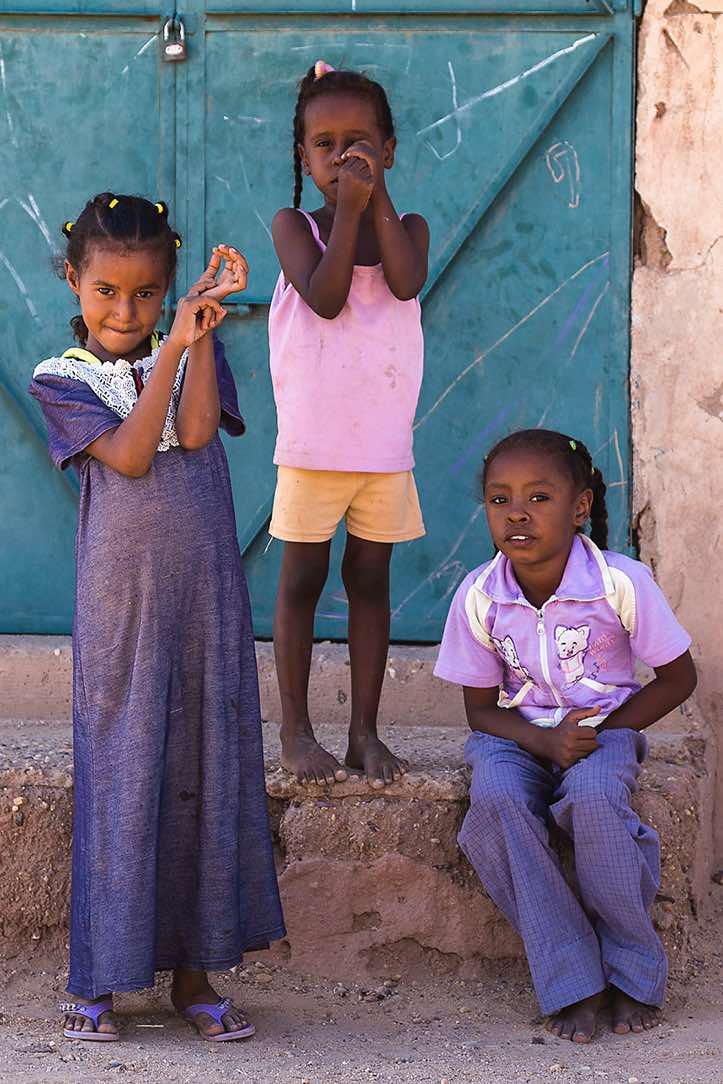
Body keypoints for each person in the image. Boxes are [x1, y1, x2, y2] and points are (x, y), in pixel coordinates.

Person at [29, 192, 285, 1044]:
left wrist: (197, 337)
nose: (125, 311)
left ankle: (197, 977)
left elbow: (201, 428)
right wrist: (174, 344)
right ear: (75, 280)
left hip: (205, 594)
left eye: (146, 296)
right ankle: (99, 980)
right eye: (106, 291)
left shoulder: (191, 344)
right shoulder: (63, 379)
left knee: (203, 766)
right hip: (123, 605)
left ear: (168, 289)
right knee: (124, 766)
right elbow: (135, 456)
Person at [434, 428, 697, 1043]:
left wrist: (604, 730)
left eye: (539, 498)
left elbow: (679, 678)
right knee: (495, 801)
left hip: (604, 729)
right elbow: (481, 712)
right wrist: (545, 743)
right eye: (500, 501)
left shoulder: (618, 582)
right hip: (513, 735)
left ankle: (632, 966)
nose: (517, 514)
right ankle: (573, 976)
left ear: (580, 507)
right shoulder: (479, 594)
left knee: (597, 801)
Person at [268, 60, 430, 788]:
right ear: (304, 157)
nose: (341, 157)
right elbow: (327, 299)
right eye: (324, 144)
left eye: (358, 142)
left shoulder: (409, 228)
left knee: (369, 577)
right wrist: (348, 215)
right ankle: (296, 732)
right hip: (311, 444)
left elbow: (403, 281)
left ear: (388, 151)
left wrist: (376, 203)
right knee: (301, 577)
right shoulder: (293, 227)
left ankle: (364, 732)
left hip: (382, 446)